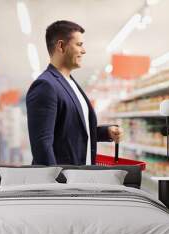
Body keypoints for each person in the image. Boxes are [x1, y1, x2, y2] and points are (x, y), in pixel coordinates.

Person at [26, 20, 123, 165]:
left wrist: (106, 132)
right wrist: (54, 184)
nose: (84, 50)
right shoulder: (45, 85)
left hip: (80, 177)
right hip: (63, 182)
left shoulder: (70, 83)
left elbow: (72, 131)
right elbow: (42, 146)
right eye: (79, 44)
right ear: (61, 46)